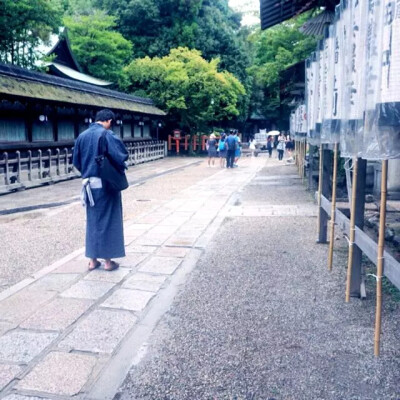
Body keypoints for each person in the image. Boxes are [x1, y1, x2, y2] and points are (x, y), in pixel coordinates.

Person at [73, 109, 128, 271]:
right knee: (108, 220)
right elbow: (122, 155)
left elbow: (76, 161)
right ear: (109, 121)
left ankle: (92, 260)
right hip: (106, 184)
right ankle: (108, 262)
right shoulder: (107, 135)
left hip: (88, 184)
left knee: (93, 221)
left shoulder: (81, 136)